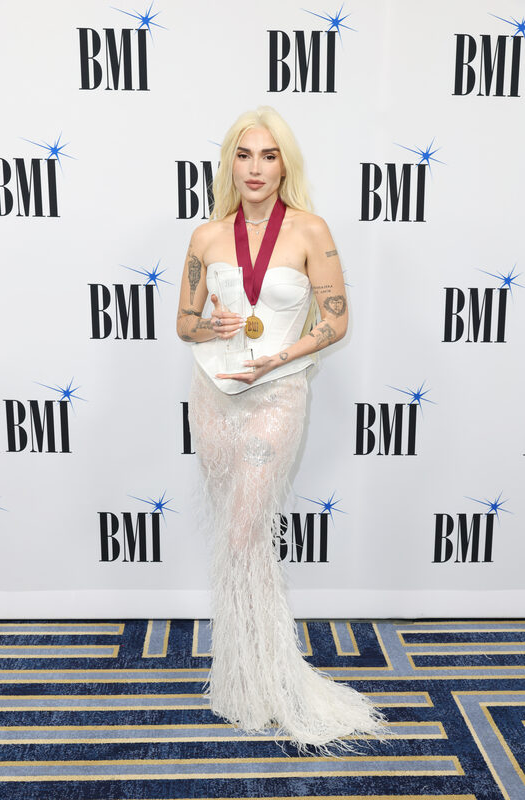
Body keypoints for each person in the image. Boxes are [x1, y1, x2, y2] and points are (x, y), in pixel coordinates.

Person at [176, 106, 387, 756]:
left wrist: (284, 355)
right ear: (230, 163)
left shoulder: (310, 230)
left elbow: (336, 319)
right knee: (236, 542)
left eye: (269, 156)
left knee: (247, 531)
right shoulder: (208, 237)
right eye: (245, 155)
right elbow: (184, 322)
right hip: (214, 392)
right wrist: (207, 326)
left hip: (279, 392)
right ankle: (245, 679)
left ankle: (267, 677)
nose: (256, 168)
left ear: (284, 163)